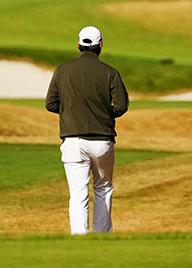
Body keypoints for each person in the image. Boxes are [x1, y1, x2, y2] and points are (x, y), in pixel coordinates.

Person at [45, 25, 129, 235]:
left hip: (73, 140)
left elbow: (50, 104)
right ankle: (102, 236)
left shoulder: (62, 70)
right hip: (102, 141)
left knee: (78, 193)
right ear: (100, 46)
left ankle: (79, 238)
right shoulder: (110, 72)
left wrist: (71, 112)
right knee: (103, 189)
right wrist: (102, 114)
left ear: (78, 45)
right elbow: (120, 106)